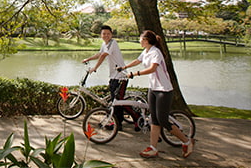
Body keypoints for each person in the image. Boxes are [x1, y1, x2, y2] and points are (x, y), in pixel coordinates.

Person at [119, 30, 195, 159]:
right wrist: (124, 68)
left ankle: (187, 141)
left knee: (163, 121)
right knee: (153, 120)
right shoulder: (146, 51)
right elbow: (138, 60)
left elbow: (152, 69)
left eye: (141, 39)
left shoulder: (156, 52)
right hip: (153, 89)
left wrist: (134, 74)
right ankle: (153, 148)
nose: (139, 40)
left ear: (147, 40)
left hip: (164, 90)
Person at [82, 25, 140, 130]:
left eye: (108, 33)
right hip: (114, 76)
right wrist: (88, 59)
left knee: (119, 101)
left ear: (111, 34)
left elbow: (103, 55)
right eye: (104, 33)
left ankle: (136, 118)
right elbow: (100, 53)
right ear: (101, 35)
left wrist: (95, 68)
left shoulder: (113, 43)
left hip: (121, 77)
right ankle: (118, 123)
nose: (106, 35)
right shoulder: (105, 44)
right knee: (116, 101)